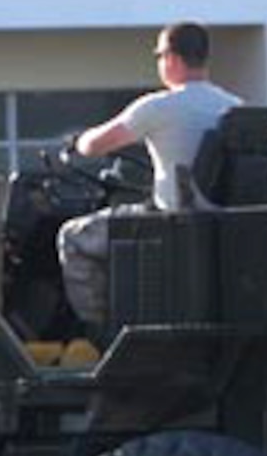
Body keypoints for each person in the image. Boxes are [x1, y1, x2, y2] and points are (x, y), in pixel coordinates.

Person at [56, 23, 242, 328]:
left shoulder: (158, 107)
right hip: (221, 220)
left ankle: (101, 332)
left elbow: (94, 145)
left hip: (169, 223)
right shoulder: (234, 106)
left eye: (159, 55)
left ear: (171, 58)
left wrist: (77, 141)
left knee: (73, 237)